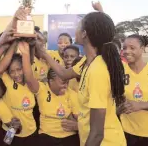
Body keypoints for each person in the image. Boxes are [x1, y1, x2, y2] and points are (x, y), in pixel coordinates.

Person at [37, 12, 126, 145]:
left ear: (84, 34)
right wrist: (43, 51)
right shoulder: (87, 61)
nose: (75, 30)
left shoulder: (98, 71)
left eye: (78, 27)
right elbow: (63, 73)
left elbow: (97, 133)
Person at [19, 41, 80, 146]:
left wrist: (78, 126)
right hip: (46, 136)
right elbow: (29, 77)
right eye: (63, 81)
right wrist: (25, 52)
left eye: (67, 81)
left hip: (69, 136)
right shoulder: (42, 89)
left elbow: (80, 118)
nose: (66, 84)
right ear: (51, 81)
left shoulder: (72, 94)